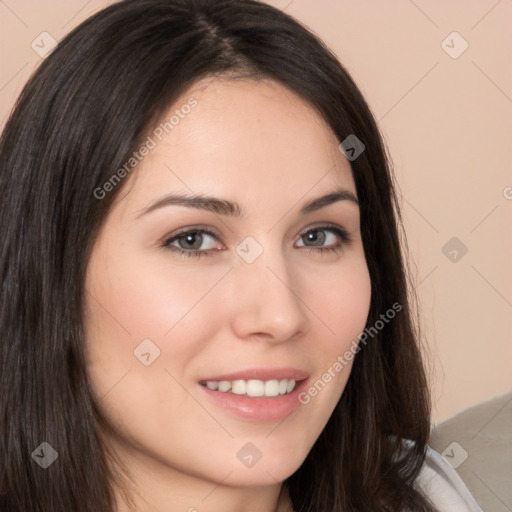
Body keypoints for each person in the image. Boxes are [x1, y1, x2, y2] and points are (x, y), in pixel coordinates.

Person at [0, 1, 484, 511]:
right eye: (193, 240)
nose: (280, 316)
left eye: (318, 236)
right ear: (52, 271)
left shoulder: (427, 496)